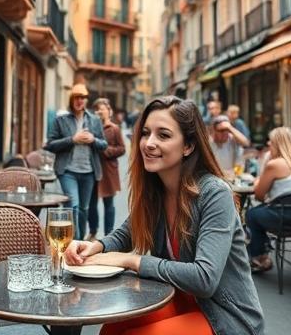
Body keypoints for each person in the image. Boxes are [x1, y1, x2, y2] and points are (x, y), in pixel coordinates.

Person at [65, 96, 264, 335]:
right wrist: (93, 246)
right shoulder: (157, 189)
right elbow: (126, 234)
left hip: (225, 316)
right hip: (176, 298)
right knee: (112, 329)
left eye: (164, 135)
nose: (148, 143)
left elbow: (204, 279)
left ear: (188, 146)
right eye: (146, 133)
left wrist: (131, 261)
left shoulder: (214, 193)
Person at [246, 127, 291, 273]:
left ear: (277, 144)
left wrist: (263, 169)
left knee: (252, 214)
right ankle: (263, 250)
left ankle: (260, 257)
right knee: (259, 212)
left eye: (270, 141)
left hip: (284, 218)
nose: (268, 143)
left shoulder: (275, 164)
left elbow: (259, 195)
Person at [45, 84, 107, 240]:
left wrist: (93, 140)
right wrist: (72, 140)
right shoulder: (61, 120)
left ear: (86, 100)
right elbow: (50, 145)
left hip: (89, 172)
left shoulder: (94, 120)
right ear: (71, 99)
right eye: (77, 97)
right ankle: (73, 244)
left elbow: (103, 145)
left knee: (83, 209)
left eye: (83, 98)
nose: (80, 101)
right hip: (67, 171)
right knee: (72, 207)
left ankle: (79, 244)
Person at [86, 98, 126, 241]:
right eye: (97, 110)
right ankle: (93, 231)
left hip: (109, 170)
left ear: (109, 111)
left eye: (102, 109)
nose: (100, 112)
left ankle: (109, 234)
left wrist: (106, 150)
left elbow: (122, 149)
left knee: (109, 203)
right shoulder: (91, 128)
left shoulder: (114, 128)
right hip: (93, 168)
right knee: (91, 203)